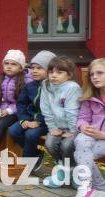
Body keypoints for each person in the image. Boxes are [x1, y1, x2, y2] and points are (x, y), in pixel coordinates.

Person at [9, 50, 54, 174]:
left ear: (50, 70)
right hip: (29, 118)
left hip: (47, 122)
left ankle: (25, 166)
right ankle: (35, 154)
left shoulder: (53, 87)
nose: (34, 71)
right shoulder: (30, 86)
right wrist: (24, 119)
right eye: (33, 67)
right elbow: (21, 103)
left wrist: (38, 122)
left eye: (39, 68)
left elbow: (53, 109)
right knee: (13, 130)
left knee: (31, 135)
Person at [41, 56, 82, 188]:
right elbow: (45, 107)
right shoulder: (46, 85)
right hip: (57, 126)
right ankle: (65, 170)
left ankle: (72, 172)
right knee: (50, 143)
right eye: (51, 72)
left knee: (67, 146)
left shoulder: (72, 88)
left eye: (59, 72)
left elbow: (72, 111)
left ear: (69, 75)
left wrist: (73, 131)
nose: (54, 75)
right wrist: (52, 127)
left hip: (74, 127)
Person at [74, 58, 105, 197]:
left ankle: (97, 188)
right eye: (92, 74)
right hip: (93, 137)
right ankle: (87, 186)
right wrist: (83, 127)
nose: (95, 77)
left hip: (103, 138)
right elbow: (83, 118)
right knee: (81, 140)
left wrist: (102, 135)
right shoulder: (90, 96)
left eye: (100, 73)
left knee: (79, 153)